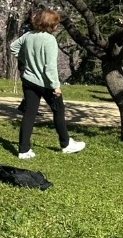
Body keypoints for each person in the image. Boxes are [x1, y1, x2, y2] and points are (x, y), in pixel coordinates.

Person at [13, 8, 85, 159]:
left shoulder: (28, 35)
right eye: (56, 23)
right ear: (51, 25)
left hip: (29, 80)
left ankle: (23, 150)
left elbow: (13, 47)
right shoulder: (50, 40)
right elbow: (50, 67)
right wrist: (55, 86)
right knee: (59, 110)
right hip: (45, 83)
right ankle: (66, 144)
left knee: (29, 113)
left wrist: (24, 59)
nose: (57, 26)